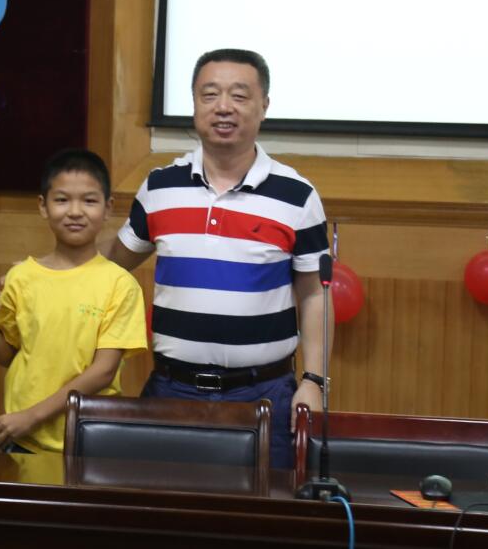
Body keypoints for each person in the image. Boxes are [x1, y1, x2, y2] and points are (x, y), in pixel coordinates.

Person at [106, 48, 329, 469]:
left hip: (265, 395)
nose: (223, 107)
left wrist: (314, 381)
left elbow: (315, 294)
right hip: (171, 391)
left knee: (266, 507)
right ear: (194, 104)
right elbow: (110, 266)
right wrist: (39, 277)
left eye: (239, 95)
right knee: (162, 504)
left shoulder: (297, 196)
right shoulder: (160, 187)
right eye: (209, 94)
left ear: (264, 106)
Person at [0, 148, 148, 453]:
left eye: (89, 201)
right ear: (43, 206)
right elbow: (8, 355)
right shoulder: (20, 277)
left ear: (107, 208)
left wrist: (32, 416)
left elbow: (103, 371)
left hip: (89, 441)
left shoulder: (120, 284)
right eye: (62, 200)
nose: (75, 211)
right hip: (22, 439)